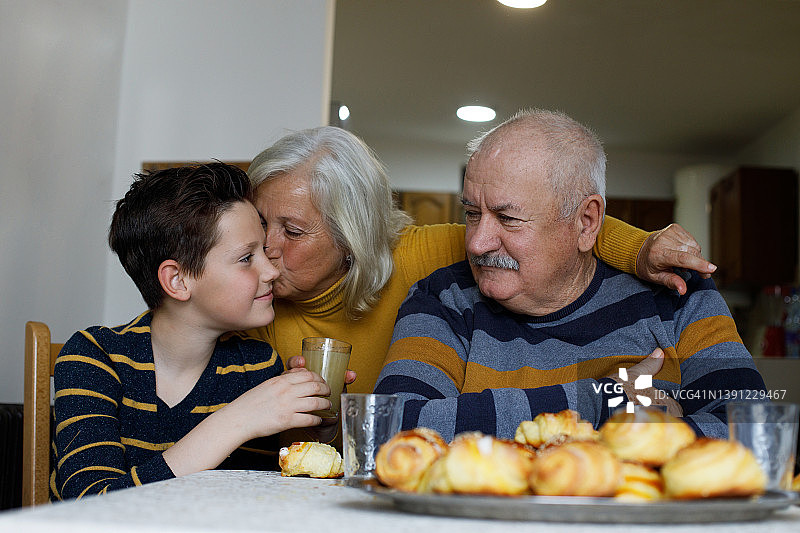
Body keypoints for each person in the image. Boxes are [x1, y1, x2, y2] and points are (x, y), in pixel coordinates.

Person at [373, 109, 766, 441]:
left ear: (586, 222)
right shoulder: (442, 298)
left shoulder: (679, 295)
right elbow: (390, 431)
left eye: (508, 219)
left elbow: (755, 433)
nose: (476, 242)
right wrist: (606, 403)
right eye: (472, 213)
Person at [245, 126, 716, 395]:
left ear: (354, 235)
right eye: (260, 222)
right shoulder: (248, 296)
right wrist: (611, 402)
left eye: (292, 230)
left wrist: (641, 249)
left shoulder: (415, 256)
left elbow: (553, 226)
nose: (264, 247)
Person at [52, 163, 331, 500]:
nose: (271, 270)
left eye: (264, 252)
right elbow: (92, 505)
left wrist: (318, 420)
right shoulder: (93, 357)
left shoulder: (255, 366)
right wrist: (239, 419)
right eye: (246, 258)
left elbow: (264, 499)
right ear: (178, 280)